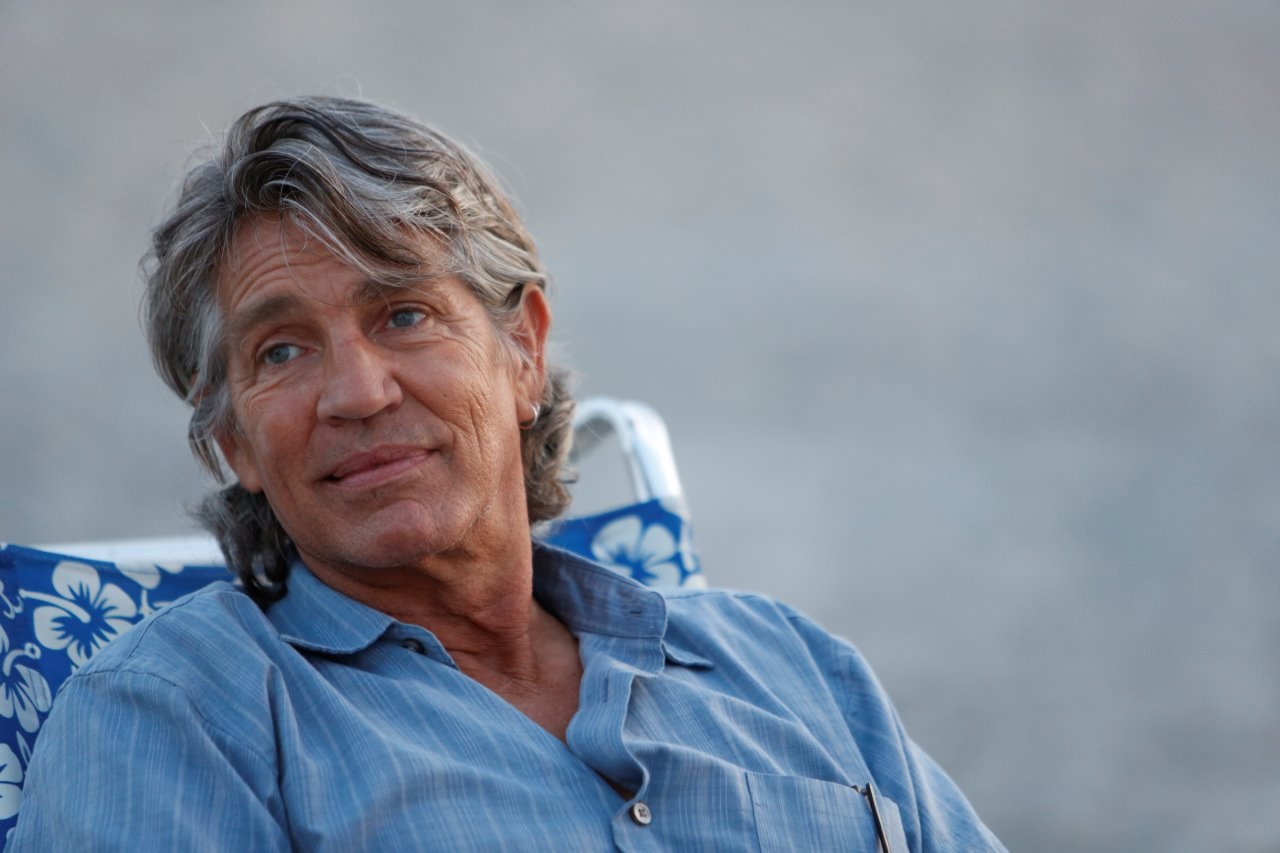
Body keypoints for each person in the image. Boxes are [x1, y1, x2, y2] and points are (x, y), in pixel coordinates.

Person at [11, 96, 1004, 851]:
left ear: (522, 350)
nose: (357, 391)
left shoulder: (791, 668)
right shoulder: (172, 718)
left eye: (403, 314)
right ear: (232, 441)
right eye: (281, 350)